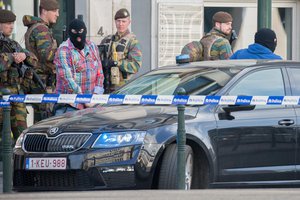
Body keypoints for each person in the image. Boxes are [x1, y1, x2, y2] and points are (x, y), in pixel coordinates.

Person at [0, 9, 38, 140]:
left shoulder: (13, 44)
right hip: (2, 98)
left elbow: (34, 60)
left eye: (12, 23)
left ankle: (20, 161)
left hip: (16, 98)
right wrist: (11, 57)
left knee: (21, 139)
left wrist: (24, 55)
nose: (11, 27)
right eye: (7, 23)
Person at [54, 19, 104, 115]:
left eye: (81, 32)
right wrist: (84, 100)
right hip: (70, 106)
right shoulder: (63, 50)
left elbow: (100, 74)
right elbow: (68, 80)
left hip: (92, 105)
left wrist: (95, 96)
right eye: (74, 32)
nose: (78, 36)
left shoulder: (92, 47)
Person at [23, 0, 59, 121]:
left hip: (38, 80)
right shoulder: (41, 29)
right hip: (41, 81)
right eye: (54, 11)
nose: (57, 14)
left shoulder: (37, 27)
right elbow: (48, 55)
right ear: (44, 11)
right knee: (45, 119)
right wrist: (63, 52)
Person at [99, 8, 142, 93]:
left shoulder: (132, 42)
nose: (120, 24)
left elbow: (135, 66)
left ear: (129, 22)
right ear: (115, 22)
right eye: (118, 21)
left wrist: (116, 63)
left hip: (123, 88)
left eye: (123, 21)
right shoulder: (107, 40)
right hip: (105, 86)